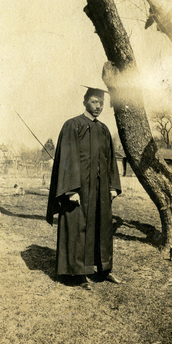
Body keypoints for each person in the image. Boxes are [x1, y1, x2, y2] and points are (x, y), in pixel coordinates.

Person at [46, 86, 122, 290]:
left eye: (101, 103)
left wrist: (113, 185)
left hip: (100, 191)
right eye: (94, 102)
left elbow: (110, 159)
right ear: (85, 102)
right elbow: (67, 159)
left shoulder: (104, 129)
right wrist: (71, 190)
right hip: (79, 191)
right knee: (78, 228)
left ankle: (104, 269)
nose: (98, 106)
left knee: (102, 228)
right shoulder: (73, 125)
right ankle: (78, 274)